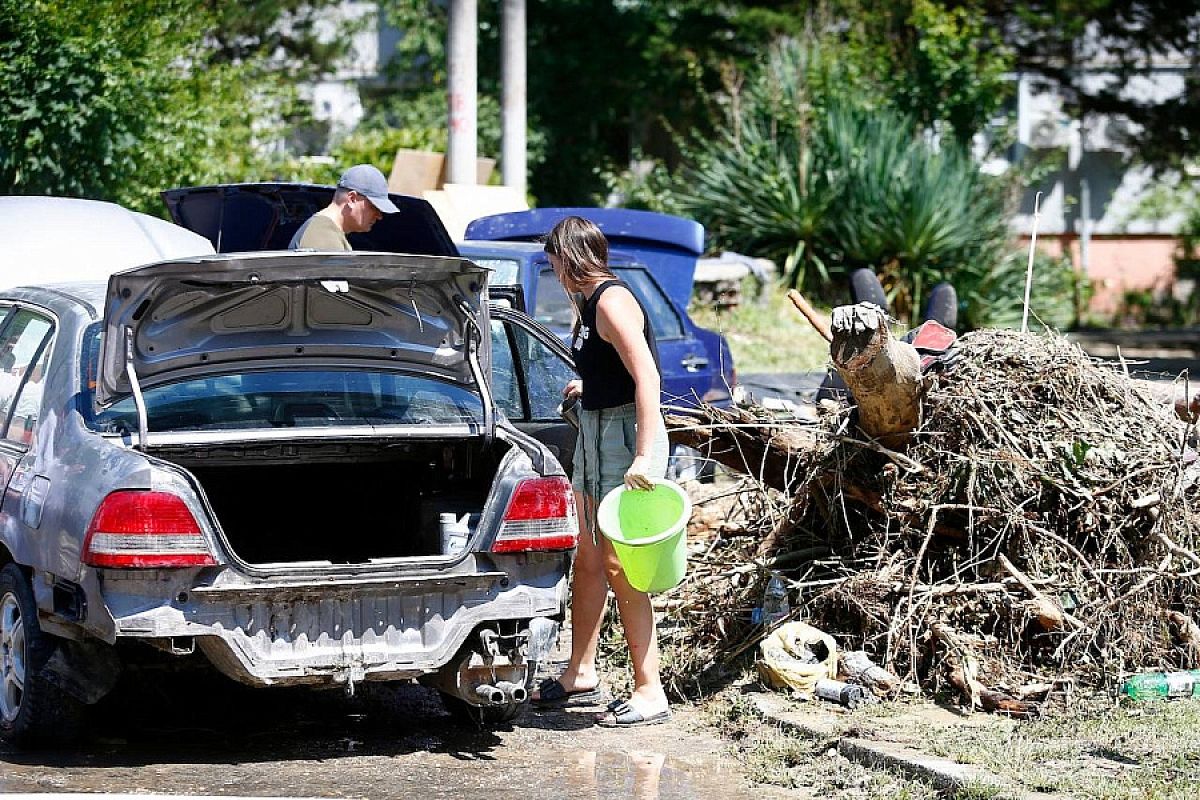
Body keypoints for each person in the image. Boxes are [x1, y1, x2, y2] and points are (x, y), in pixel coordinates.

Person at [532, 216, 671, 727]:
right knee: (588, 557)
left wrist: (642, 456)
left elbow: (648, 378)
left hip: (624, 440)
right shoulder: (587, 306)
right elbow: (609, 371)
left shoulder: (611, 301)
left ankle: (649, 688)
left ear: (566, 259)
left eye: (553, 261)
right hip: (596, 432)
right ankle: (580, 671)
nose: (552, 270)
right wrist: (587, 391)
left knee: (620, 565)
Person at [288, 164, 399, 250]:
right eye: (374, 207)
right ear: (352, 199)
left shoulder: (327, 233)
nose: (379, 216)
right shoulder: (323, 238)